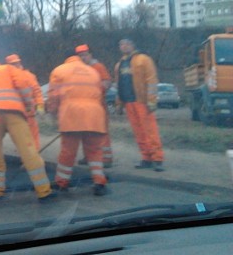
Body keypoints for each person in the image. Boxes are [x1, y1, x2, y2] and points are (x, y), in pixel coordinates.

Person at [0, 59, 55, 202]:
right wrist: (27, 104)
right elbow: (23, 85)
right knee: (29, 151)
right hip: (14, 113)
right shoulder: (8, 69)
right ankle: (44, 191)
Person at [48, 53, 109, 196]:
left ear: (67, 58)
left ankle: (62, 183)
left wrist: (52, 111)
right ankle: (99, 182)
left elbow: (53, 96)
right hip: (94, 115)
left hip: (71, 115)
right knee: (95, 151)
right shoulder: (93, 71)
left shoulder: (59, 70)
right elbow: (100, 92)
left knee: (68, 152)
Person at [114, 38, 165, 171]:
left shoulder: (144, 59)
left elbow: (152, 80)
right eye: (121, 44)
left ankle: (157, 158)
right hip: (128, 102)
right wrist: (119, 103)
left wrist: (152, 100)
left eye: (126, 44)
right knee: (139, 132)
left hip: (142, 101)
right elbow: (118, 84)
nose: (124, 47)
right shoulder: (119, 64)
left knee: (150, 130)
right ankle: (146, 157)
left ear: (132, 45)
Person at [74, 44, 114, 168]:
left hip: (98, 105)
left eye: (85, 55)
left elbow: (106, 82)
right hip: (84, 106)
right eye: (80, 56)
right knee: (86, 132)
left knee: (101, 131)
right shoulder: (78, 70)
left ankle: (106, 158)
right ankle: (89, 156)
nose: (83, 58)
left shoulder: (98, 67)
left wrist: (93, 91)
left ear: (90, 55)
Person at [5, 54, 44, 150]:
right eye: (14, 64)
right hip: (20, 114)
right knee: (26, 139)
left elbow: (37, 92)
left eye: (16, 63)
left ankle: (32, 157)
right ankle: (31, 157)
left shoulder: (26, 76)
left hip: (23, 114)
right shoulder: (8, 78)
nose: (16, 66)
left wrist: (40, 107)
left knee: (29, 139)